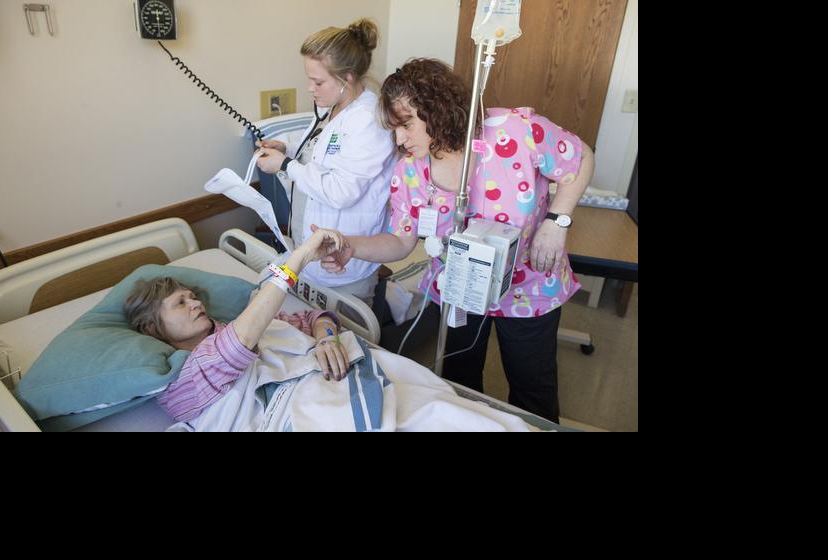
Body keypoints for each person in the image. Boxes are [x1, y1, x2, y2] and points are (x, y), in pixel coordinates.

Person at [318, 58, 595, 423]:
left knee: (533, 388)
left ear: (439, 109)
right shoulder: (410, 169)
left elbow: (581, 158)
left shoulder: (515, 131)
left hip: (529, 286)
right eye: (393, 130)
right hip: (458, 288)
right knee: (460, 384)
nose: (399, 140)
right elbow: (400, 242)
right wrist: (350, 245)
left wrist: (557, 222)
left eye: (406, 125)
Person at [124, 227, 349, 422]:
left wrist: (327, 338)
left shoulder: (245, 324)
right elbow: (236, 345)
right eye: (180, 302)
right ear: (152, 328)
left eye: (192, 296)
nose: (195, 303)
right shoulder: (179, 382)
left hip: (334, 385)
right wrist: (299, 258)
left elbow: (316, 317)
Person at [255, 18, 396, 306]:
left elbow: (341, 191)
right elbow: (324, 149)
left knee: (344, 342)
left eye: (318, 81)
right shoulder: (337, 107)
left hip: (345, 261)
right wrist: (288, 146)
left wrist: (285, 165)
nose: (310, 88)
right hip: (312, 247)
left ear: (347, 78)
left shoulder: (369, 121)